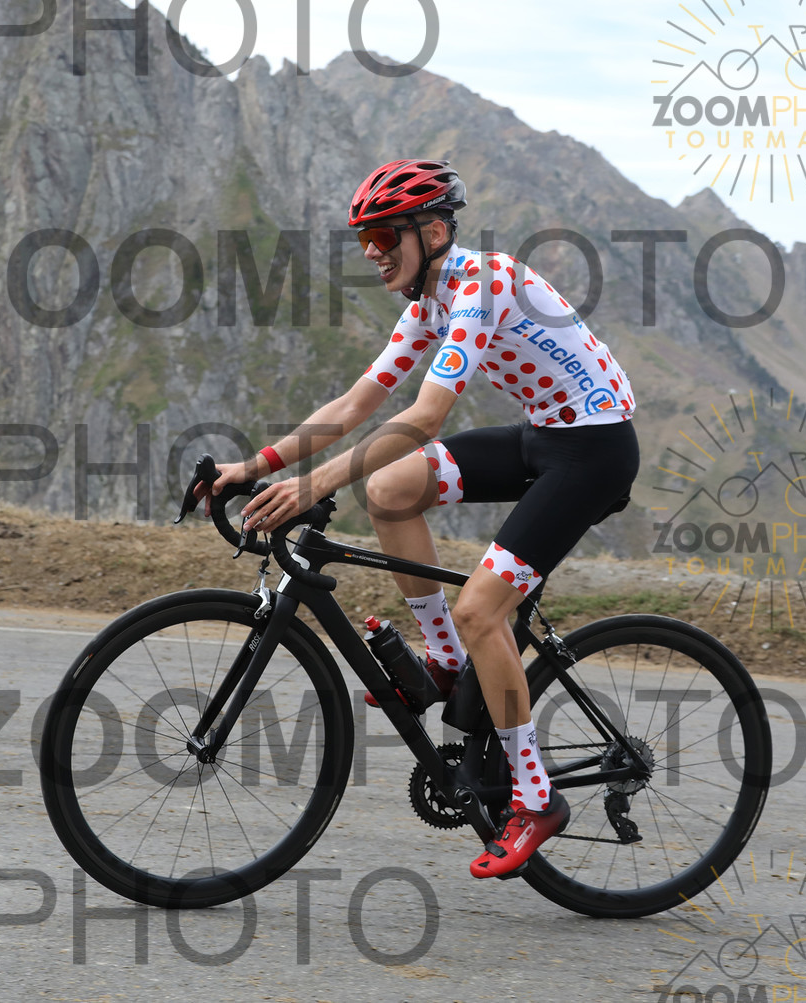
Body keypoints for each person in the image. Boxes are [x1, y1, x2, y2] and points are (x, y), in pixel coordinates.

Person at [204, 158, 639, 878]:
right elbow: (355, 405)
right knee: (390, 490)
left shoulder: (483, 282)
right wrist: (255, 466)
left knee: (481, 611)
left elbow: (427, 415)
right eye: (366, 241)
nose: (374, 253)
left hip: (594, 452)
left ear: (432, 232)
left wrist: (313, 483)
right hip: (543, 436)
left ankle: (536, 799)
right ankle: (444, 661)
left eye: (384, 237)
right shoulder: (428, 303)